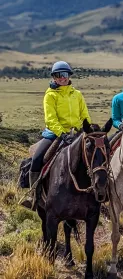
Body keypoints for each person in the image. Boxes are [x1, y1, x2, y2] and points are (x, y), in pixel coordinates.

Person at [22, 61, 91, 210]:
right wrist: (63, 134)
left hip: (77, 133)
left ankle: (98, 191)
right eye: (58, 75)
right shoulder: (50, 95)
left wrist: (86, 130)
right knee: (37, 158)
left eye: (65, 74)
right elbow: (50, 119)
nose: (62, 78)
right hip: (55, 134)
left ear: (69, 76)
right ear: (54, 77)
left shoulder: (77, 94)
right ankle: (33, 194)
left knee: (96, 155)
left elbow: (85, 115)